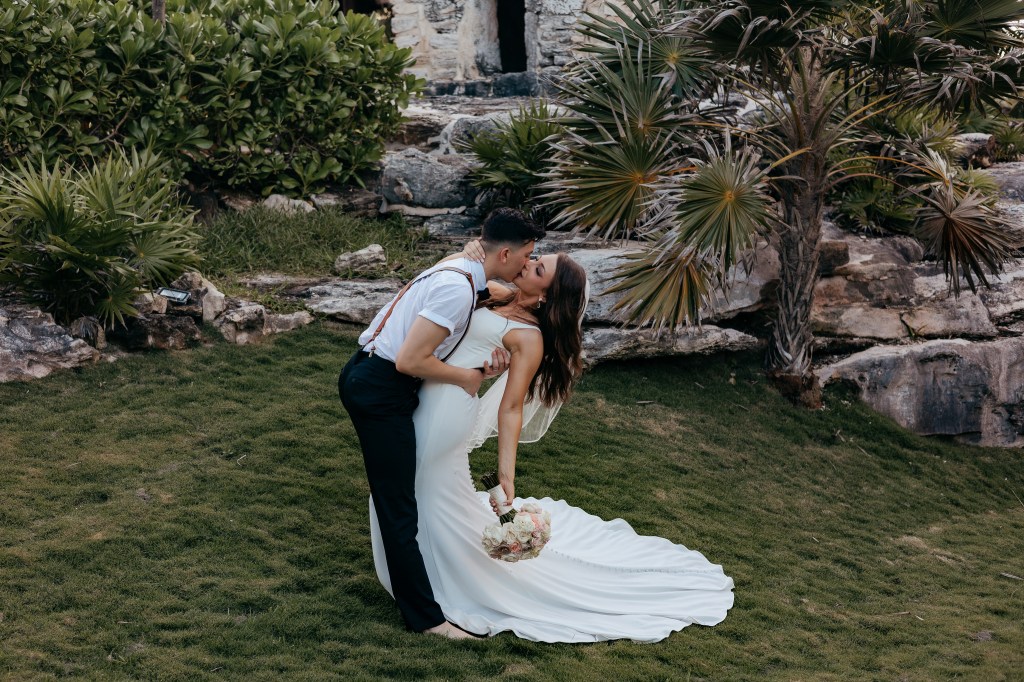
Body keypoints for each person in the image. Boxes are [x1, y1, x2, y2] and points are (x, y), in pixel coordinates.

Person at [369, 246, 736, 642]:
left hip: (445, 414)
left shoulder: (529, 338)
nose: (527, 263)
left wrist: (506, 477)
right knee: (416, 493)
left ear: (546, 295)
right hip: (422, 395)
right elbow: (443, 280)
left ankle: (443, 588)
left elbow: (511, 408)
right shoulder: (497, 291)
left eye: (537, 268)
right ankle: (424, 576)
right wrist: (468, 251)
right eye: (534, 258)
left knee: (417, 488)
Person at [339, 208, 546, 639]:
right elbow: (410, 360)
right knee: (399, 507)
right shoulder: (458, 285)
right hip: (381, 388)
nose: (528, 263)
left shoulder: (464, 271)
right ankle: (428, 620)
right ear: (505, 253)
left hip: (377, 380)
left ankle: (423, 591)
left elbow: (484, 300)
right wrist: (468, 376)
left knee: (399, 498)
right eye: (527, 256)